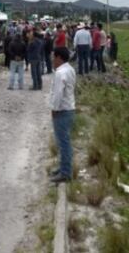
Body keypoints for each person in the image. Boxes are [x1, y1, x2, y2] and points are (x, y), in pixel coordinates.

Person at [48, 47, 76, 184]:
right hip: (69, 108)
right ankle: (63, 168)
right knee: (64, 142)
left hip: (62, 110)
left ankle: (65, 173)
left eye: (54, 57)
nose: (52, 60)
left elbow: (58, 93)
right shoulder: (70, 69)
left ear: (59, 58)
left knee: (63, 143)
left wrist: (54, 109)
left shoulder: (60, 73)